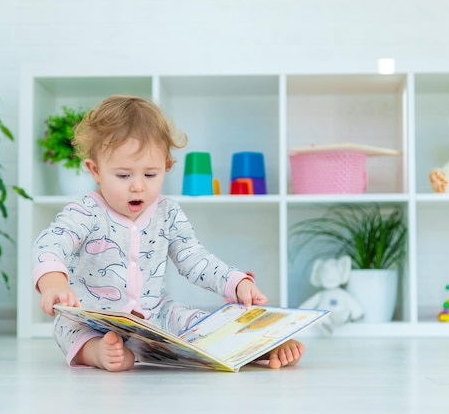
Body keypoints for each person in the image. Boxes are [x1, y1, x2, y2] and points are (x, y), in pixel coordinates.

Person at [32, 95, 305, 372]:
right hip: (93, 319)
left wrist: (235, 283)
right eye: (124, 176)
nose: (138, 186)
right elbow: (51, 243)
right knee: (68, 328)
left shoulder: (168, 212)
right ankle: (96, 353)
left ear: (166, 166)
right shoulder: (86, 210)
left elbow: (194, 259)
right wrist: (54, 283)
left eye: (150, 175)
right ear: (95, 171)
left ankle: (258, 346)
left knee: (197, 321)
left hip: (155, 317)